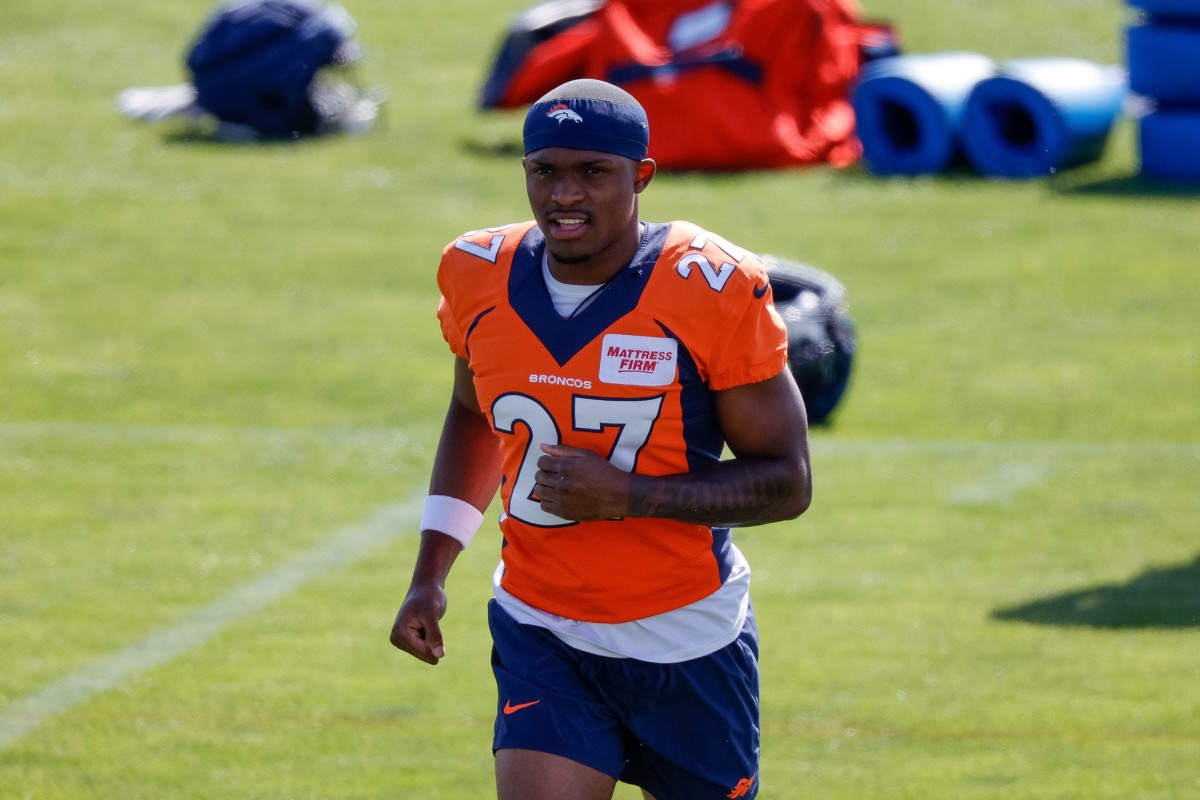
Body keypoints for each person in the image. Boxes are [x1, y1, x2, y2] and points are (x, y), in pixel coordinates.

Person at [390, 78, 812, 800]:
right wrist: (431, 570)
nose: (564, 195)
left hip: (685, 635)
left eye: (592, 172)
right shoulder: (477, 272)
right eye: (545, 170)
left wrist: (630, 496)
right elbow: (473, 412)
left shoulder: (705, 285)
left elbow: (785, 481)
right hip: (541, 625)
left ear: (640, 176)